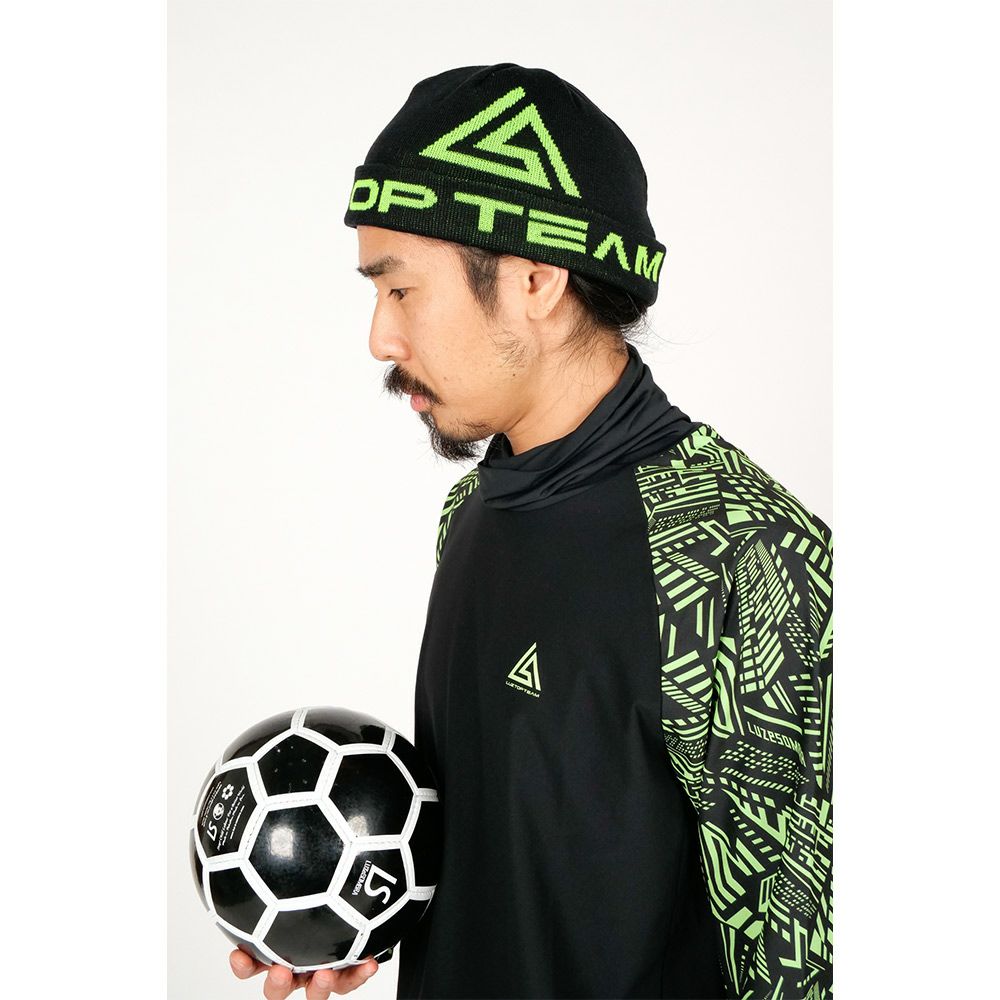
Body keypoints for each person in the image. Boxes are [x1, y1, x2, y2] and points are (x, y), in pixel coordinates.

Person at [231, 62, 833, 999]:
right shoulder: (469, 513)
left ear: (537, 280)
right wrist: (355, 903)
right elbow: (529, 846)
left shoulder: (740, 554)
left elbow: (809, 956)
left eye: (400, 290)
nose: (380, 338)